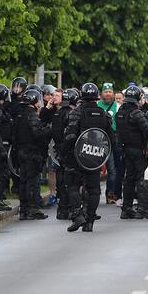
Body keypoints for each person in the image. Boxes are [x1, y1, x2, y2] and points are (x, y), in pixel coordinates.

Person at [62, 83, 113, 232]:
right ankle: (89, 221)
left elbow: (70, 136)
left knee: (72, 186)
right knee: (94, 189)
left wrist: (64, 152)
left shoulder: (75, 113)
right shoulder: (104, 114)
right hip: (94, 158)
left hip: (76, 156)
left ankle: (78, 216)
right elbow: (110, 139)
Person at [116, 85, 148, 219]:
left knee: (129, 179)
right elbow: (147, 130)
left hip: (125, 149)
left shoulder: (120, 112)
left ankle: (126, 208)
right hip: (138, 150)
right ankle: (142, 209)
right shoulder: (136, 113)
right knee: (141, 178)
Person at [12, 89, 51, 220]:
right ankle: (33, 209)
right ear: (34, 101)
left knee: (23, 181)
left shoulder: (19, 115)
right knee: (32, 182)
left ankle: (23, 209)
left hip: (21, 152)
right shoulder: (32, 115)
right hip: (31, 153)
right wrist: (47, 130)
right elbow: (36, 133)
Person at [52, 88, 79, 220]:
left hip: (58, 151)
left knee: (60, 181)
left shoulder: (57, 113)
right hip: (68, 151)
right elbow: (70, 135)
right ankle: (68, 208)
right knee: (69, 182)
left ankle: (61, 210)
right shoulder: (70, 113)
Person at [99, 83, 122, 205]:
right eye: (106, 91)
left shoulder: (117, 106)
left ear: (113, 94)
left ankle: (110, 194)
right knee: (93, 169)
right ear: (102, 93)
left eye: (110, 92)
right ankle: (92, 194)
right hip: (97, 141)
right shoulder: (97, 105)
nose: (108, 94)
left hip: (111, 141)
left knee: (112, 170)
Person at [6, 77, 28, 195]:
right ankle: (13, 185)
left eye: (19, 87)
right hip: (12, 135)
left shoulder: (25, 101)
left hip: (21, 136)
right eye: (15, 86)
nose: (16, 89)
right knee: (11, 161)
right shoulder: (10, 102)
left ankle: (19, 185)